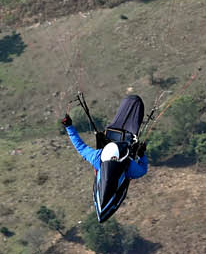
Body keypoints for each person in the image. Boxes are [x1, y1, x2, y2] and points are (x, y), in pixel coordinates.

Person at [62, 94, 148, 222]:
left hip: (122, 144)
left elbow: (80, 146)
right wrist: (142, 156)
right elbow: (143, 169)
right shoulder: (103, 159)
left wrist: (69, 127)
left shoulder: (121, 164)